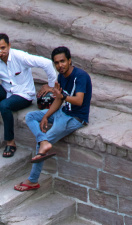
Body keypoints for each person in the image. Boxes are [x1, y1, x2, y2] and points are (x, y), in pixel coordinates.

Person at [14, 46, 92, 191]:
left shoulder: (80, 76)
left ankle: (32, 181)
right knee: (31, 116)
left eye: (62, 61)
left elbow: (79, 100)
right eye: (56, 63)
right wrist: (46, 116)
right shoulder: (61, 76)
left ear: (69, 61)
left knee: (41, 147)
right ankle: (43, 141)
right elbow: (58, 100)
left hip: (75, 118)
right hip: (63, 112)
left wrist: (62, 97)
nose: (59, 65)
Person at [0, 33, 57, 157]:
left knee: (4, 105)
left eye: (3, 48)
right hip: (7, 92)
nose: (0, 51)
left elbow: (46, 63)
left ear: (9, 46)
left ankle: (10, 141)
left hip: (24, 95)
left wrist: (51, 85)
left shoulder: (20, 56)